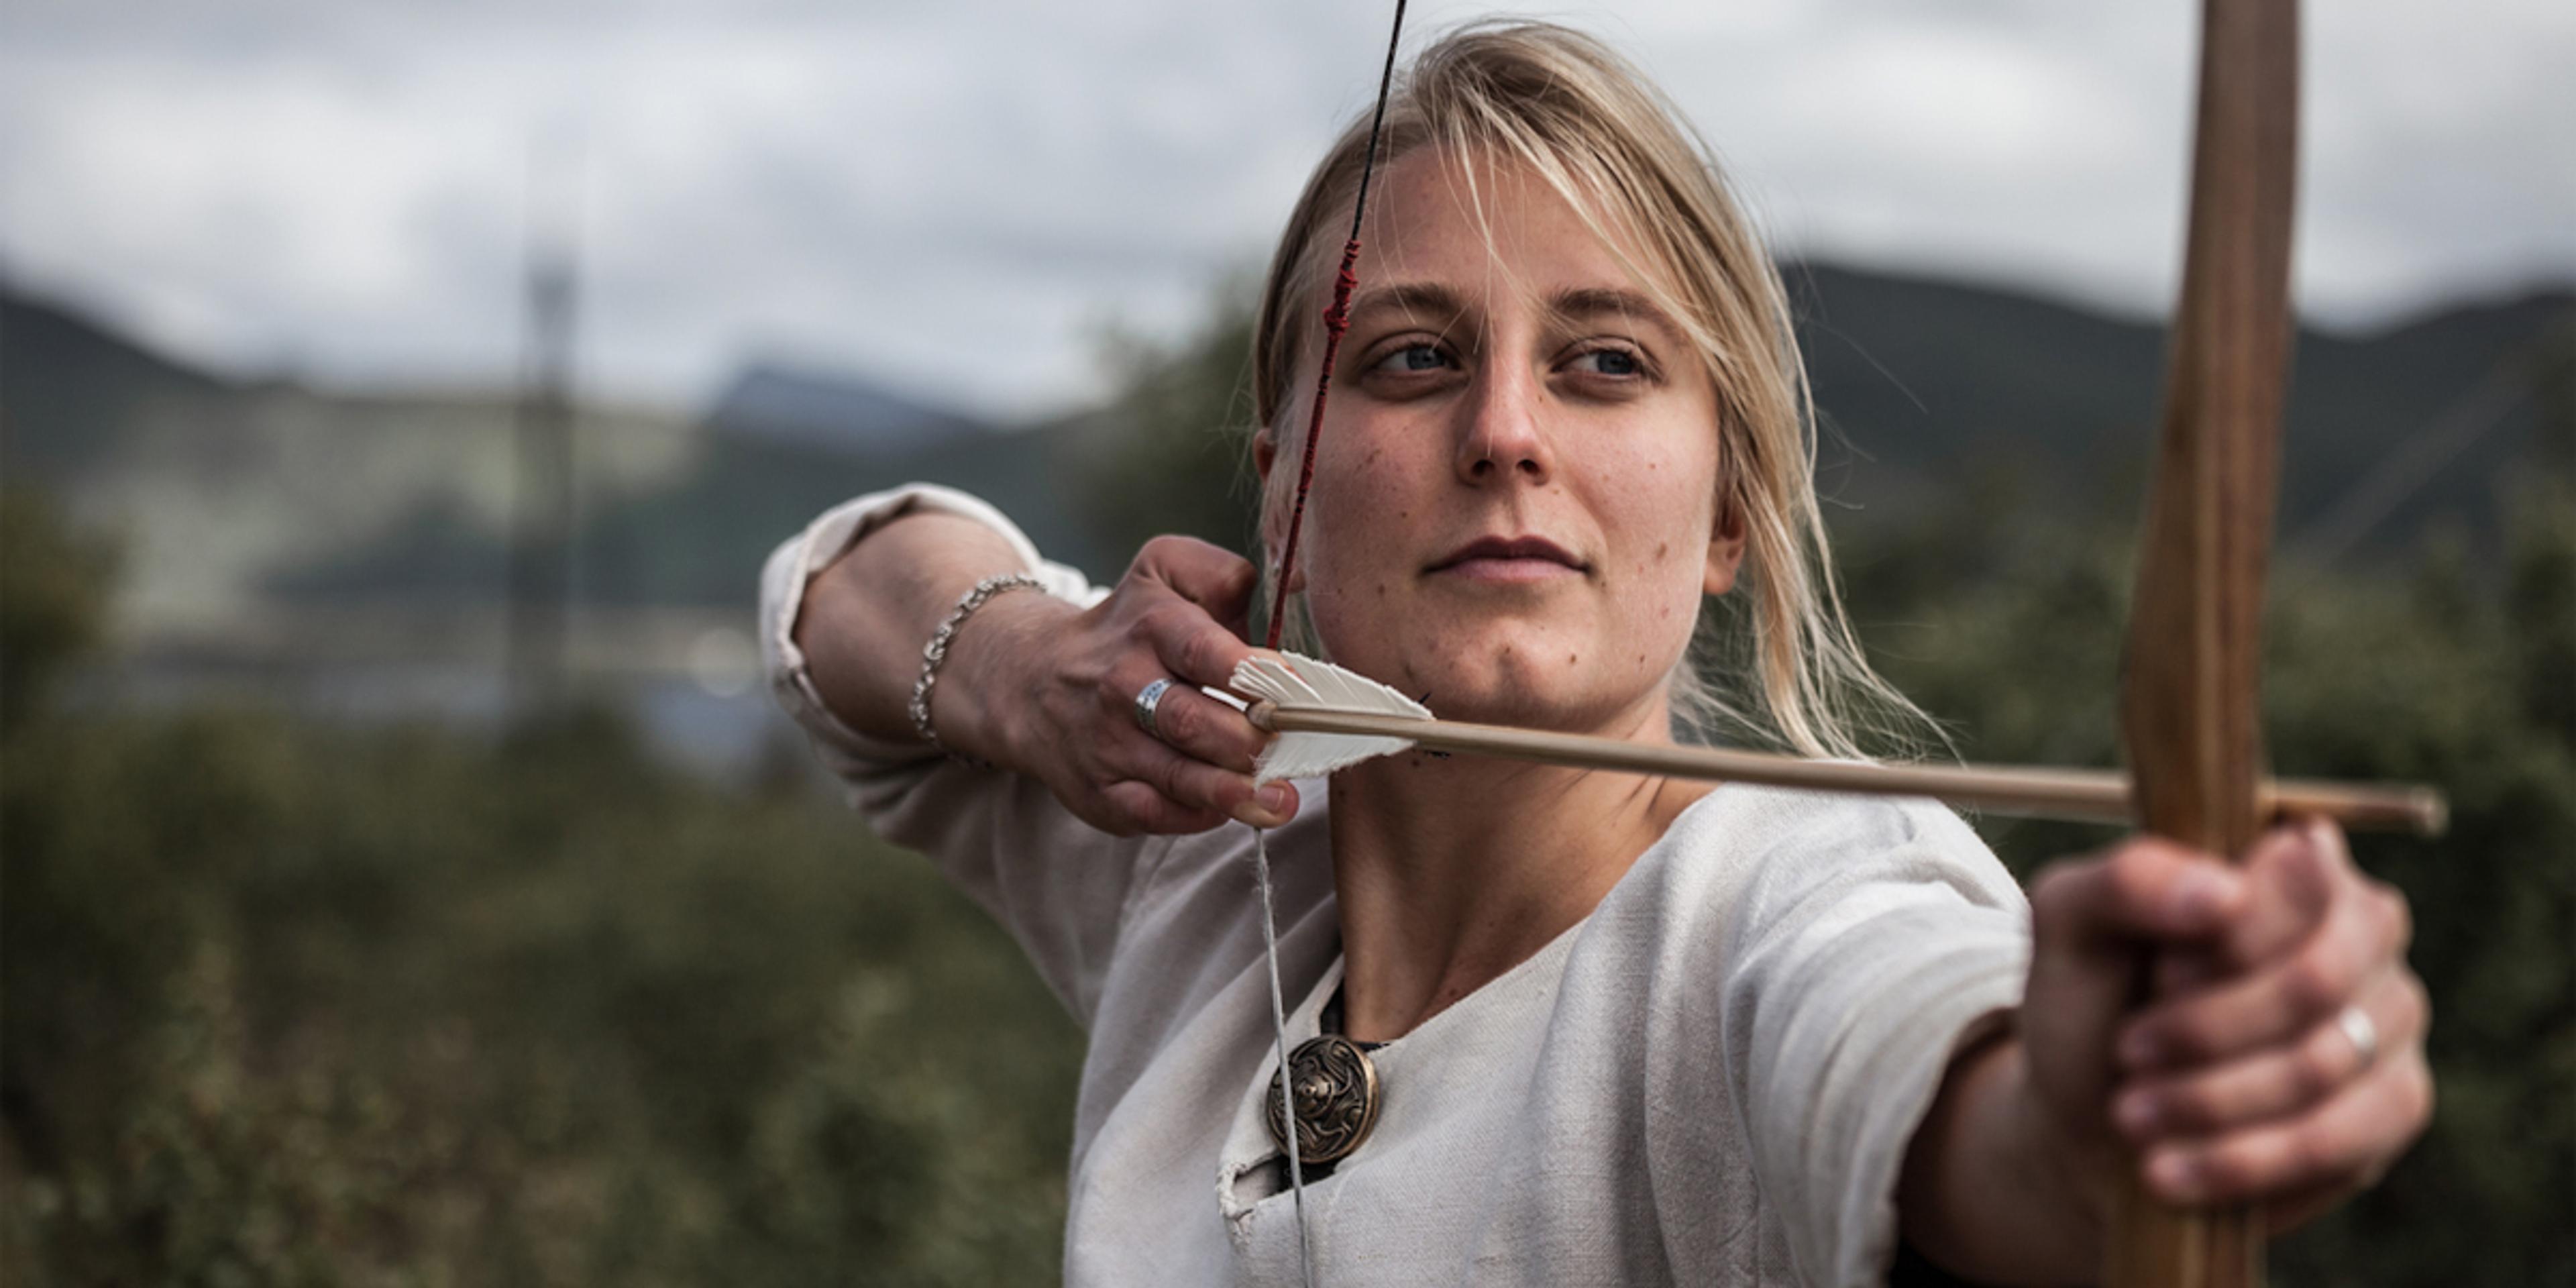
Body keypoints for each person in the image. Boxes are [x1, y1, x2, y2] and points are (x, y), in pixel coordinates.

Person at [761, 22, 2429, 1286]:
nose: (1503, 432)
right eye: (1412, 357)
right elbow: (838, 591)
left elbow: (1931, 1069)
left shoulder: (1798, 894)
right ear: (1280, 499)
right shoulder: (1200, 831)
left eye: (1607, 364)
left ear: (1725, 522)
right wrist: (1023, 660)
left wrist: (2096, 1113)